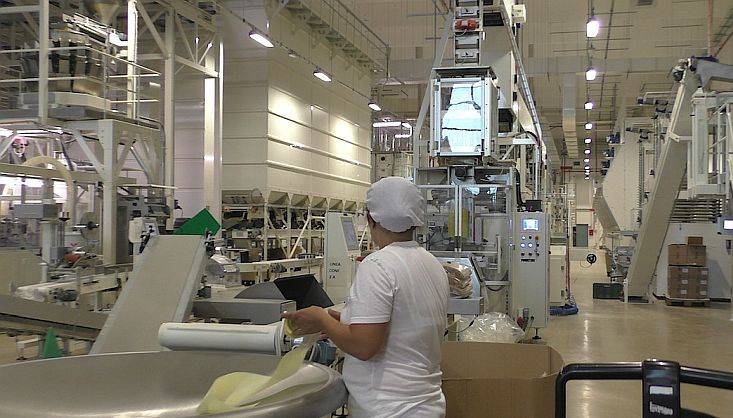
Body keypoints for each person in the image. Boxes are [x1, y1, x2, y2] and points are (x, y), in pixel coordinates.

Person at [282, 177, 450, 418]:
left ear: (371, 219)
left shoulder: (378, 265)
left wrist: (322, 318)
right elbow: (405, 326)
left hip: (388, 408)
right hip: (426, 403)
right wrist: (347, 321)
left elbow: (364, 347)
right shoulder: (431, 263)